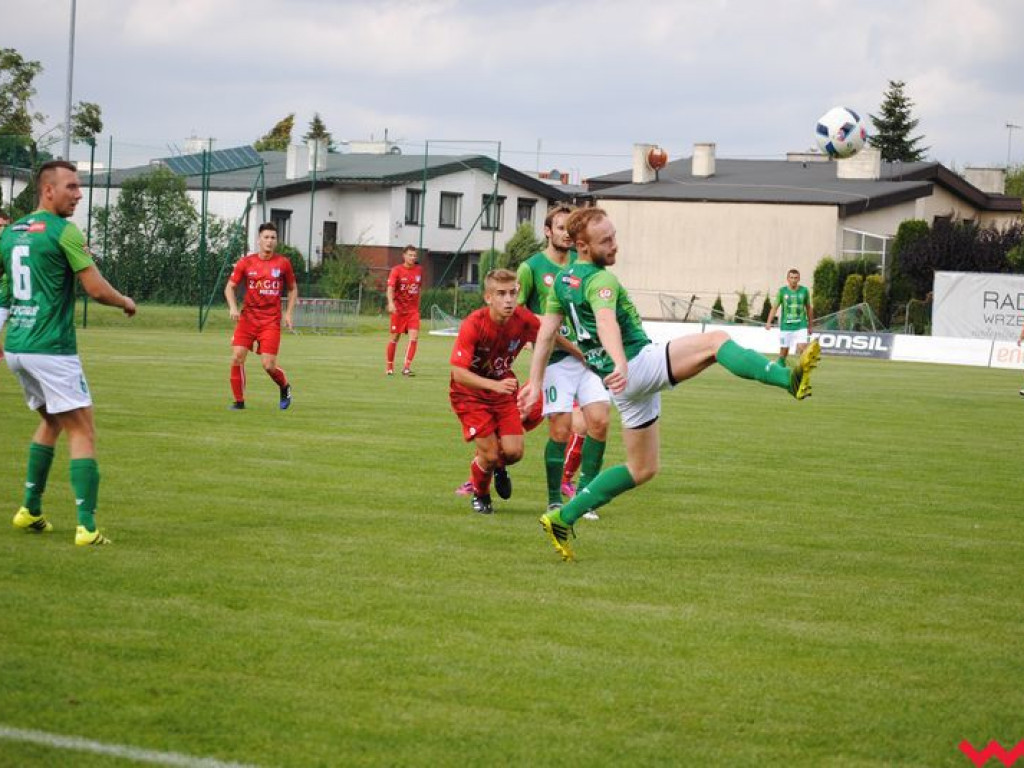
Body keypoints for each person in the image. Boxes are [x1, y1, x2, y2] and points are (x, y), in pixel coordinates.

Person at [519, 207, 820, 561]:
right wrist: (619, 360)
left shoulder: (564, 281)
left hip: (620, 383)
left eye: (615, 236)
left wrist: (536, 383)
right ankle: (789, 378)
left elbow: (546, 334)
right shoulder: (601, 281)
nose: (615, 245)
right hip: (634, 366)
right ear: (582, 246)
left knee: (642, 468)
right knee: (715, 342)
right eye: (606, 241)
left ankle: (562, 518)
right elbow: (606, 324)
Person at [1, 160, 136, 546]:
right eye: (72, 187)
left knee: (53, 422)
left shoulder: (11, 233)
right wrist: (125, 300)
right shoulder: (64, 232)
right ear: (48, 190)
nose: (78, 194)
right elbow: (95, 288)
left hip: (18, 348)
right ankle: (87, 528)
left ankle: (30, 510)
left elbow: (6, 291)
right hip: (51, 348)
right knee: (84, 431)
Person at [517, 204, 610, 518]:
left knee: (599, 422)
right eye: (560, 228)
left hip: (590, 357)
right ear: (547, 231)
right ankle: (555, 499)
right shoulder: (531, 268)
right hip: (556, 359)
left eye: (570, 230)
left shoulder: (583, 265)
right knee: (560, 430)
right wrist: (541, 328)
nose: (566, 235)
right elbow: (517, 313)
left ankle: (586, 497)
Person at [450, 268, 540, 514]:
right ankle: (481, 494)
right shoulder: (474, 324)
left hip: (502, 393)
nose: (509, 299)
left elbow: (547, 336)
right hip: (469, 394)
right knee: (488, 454)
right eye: (501, 294)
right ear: (488, 297)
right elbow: (458, 373)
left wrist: (579, 355)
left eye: (513, 293)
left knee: (513, 452)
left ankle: (499, 466)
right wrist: (495, 385)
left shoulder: (523, 319)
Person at [224, 222, 297, 410]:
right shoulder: (246, 262)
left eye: (273, 238)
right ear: (259, 240)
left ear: (276, 241)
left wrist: (288, 313)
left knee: (268, 365)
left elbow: (292, 289)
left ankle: (284, 386)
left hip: (271, 321)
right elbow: (229, 287)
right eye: (266, 237)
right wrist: (233, 307)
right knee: (237, 356)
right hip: (248, 319)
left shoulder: (283, 263)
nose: (270, 241)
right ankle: (239, 402)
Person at [386, 245, 423, 376]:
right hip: (398, 311)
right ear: (404, 256)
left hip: (413, 311)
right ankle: (389, 367)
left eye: (414, 255)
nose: (413, 258)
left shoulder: (419, 270)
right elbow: (390, 288)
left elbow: (419, 289)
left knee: (414, 337)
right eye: (410, 255)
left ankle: (406, 367)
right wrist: (391, 303)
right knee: (395, 338)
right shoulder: (396, 270)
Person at [765, 268, 814, 366]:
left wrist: (810, 325)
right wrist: (768, 322)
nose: (793, 280)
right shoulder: (782, 291)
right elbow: (774, 308)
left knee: (802, 348)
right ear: (787, 279)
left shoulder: (804, 291)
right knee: (784, 352)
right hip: (786, 326)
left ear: (799, 279)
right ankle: (780, 370)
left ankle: (802, 372)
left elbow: (809, 308)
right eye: (791, 278)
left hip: (801, 325)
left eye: (796, 278)